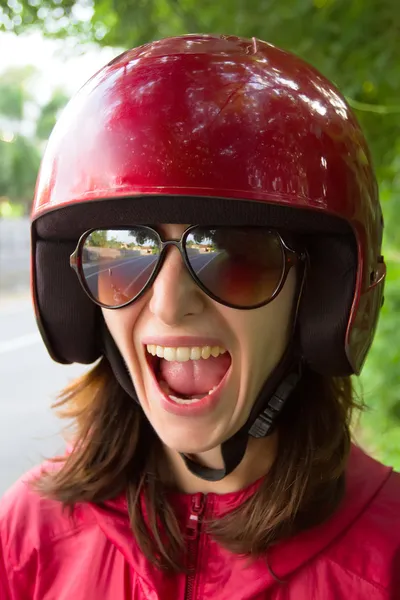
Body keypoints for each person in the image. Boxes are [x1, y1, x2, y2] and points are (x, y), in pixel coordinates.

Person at [0, 33, 399, 600]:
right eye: (123, 251)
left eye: (235, 254)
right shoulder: (28, 538)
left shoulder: (387, 558)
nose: (168, 303)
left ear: (317, 295)